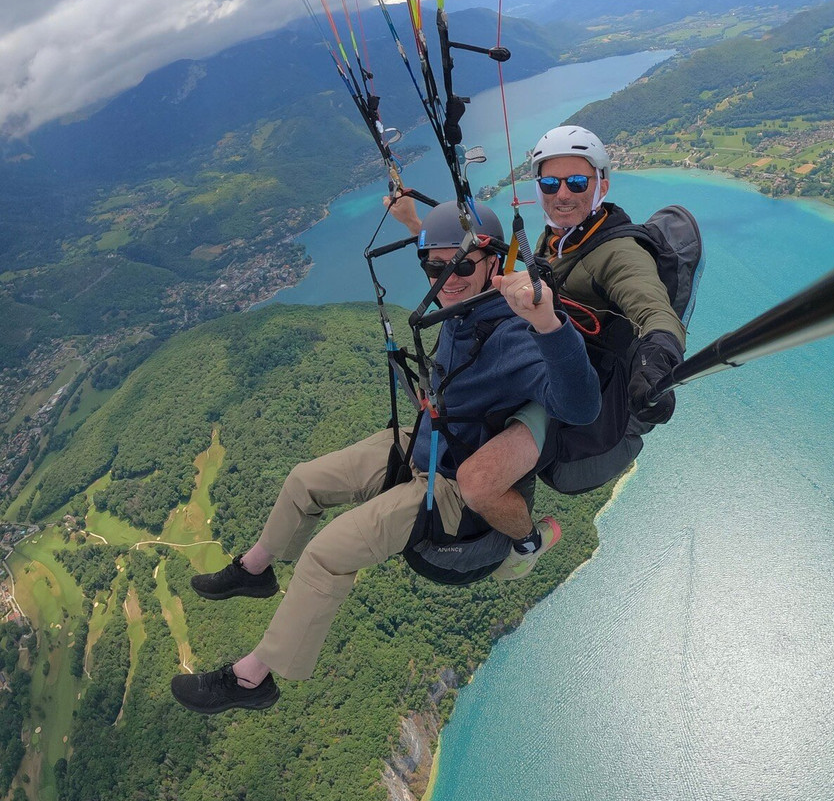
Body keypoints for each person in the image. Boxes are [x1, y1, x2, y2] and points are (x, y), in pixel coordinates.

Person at [171, 201, 599, 714]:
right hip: (423, 439)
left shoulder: (517, 331)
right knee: (303, 480)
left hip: (450, 485)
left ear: (495, 264)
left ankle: (251, 679)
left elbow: (580, 405)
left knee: (327, 554)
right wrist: (416, 223)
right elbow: (449, 249)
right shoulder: (462, 300)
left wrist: (550, 325)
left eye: (460, 267)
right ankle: (255, 568)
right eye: (433, 268)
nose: (446, 279)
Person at [387, 125, 686, 531]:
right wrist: (416, 225)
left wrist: (659, 361)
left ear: (602, 185)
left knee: (479, 480)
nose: (562, 194)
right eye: (550, 182)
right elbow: (482, 267)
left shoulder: (618, 253)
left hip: (572, 389)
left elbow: (654, 310)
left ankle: (525, 541)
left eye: (577, 182)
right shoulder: (557, 239)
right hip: (541, 363)